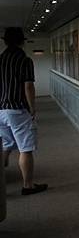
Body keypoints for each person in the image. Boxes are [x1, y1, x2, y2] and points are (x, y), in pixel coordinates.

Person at [0, 27, 47, 195]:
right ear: (22, 41)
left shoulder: (1, 59)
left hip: (1, 110)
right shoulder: (24, 60)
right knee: (25, 148)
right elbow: (28, 86)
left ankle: (2, 180)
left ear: (5, 41)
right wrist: (32, 107)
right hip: (17, 110)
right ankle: (28, 185)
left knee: (6, 145)